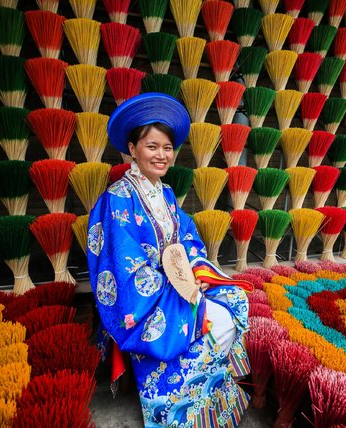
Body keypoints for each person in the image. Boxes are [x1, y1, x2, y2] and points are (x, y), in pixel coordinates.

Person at [86, 93, 250, 427]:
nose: (161, 156)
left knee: (236, 300)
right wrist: (176, 287)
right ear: (132, 149)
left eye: (167, 148)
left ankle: (212, 403)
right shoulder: (117, 199)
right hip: (146, 298)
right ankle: (180, 413)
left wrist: (196, 271)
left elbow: (186, 238)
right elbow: (124, 269)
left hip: (179, 283)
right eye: (152, 146)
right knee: (212, 321)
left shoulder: (166, 193)